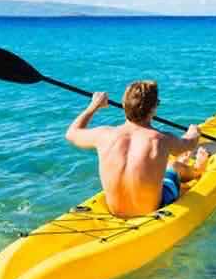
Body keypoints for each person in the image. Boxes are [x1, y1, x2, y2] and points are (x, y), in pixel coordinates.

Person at [64, 80, 200, 218]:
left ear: (124, 105)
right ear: (153, 108)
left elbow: (71, 133)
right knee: (174, 166)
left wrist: (94, 106)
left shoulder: (103, 135)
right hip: (154, 209)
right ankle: (197, 170)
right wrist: (193, 131)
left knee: (172, 164)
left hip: (116, 212)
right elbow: (189, 144)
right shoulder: (161, 139)